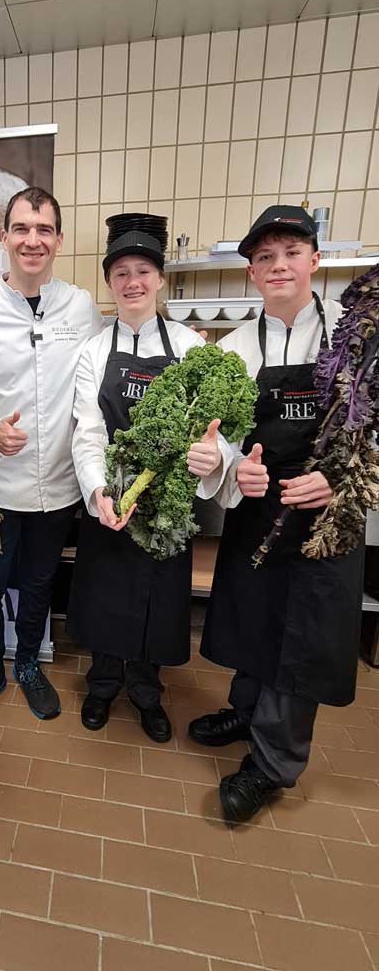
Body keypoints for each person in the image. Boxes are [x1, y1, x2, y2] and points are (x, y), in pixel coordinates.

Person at [188, 205, 364, 822]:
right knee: (254, 616)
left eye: (291, 252)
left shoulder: (355, 342)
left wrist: (338, 480)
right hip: (259, 516)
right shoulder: (234, 349)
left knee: (302, 636)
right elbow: (220, 440)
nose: (279, 265)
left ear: (315, 261)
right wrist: (235, 467)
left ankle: (272, 763)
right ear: (253, 274)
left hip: (325, 523)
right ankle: (247, 707)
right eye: (265, 257)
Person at [0, 187, 104, 732]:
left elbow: (91, 388)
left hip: (57, 485)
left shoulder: (80, 307)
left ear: (58, 240)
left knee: (40, 582)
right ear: (3, 237)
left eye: (43, 230)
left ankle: (29, 662)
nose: (31, 240)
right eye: (21, 229)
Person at [69, 228, 232, 742]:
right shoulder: (94, 351)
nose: (132, 282)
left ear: (160, 278)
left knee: (156, 599)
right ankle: (101, 684)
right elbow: (88, 428)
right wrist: (98, 491)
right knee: (106, 593)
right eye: (121, 273)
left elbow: (214, 430)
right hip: (113, 497)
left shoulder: (187, 346)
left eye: (143, 271)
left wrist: (212, 455)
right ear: (109, 284)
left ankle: (144, 690)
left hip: (169, 505)